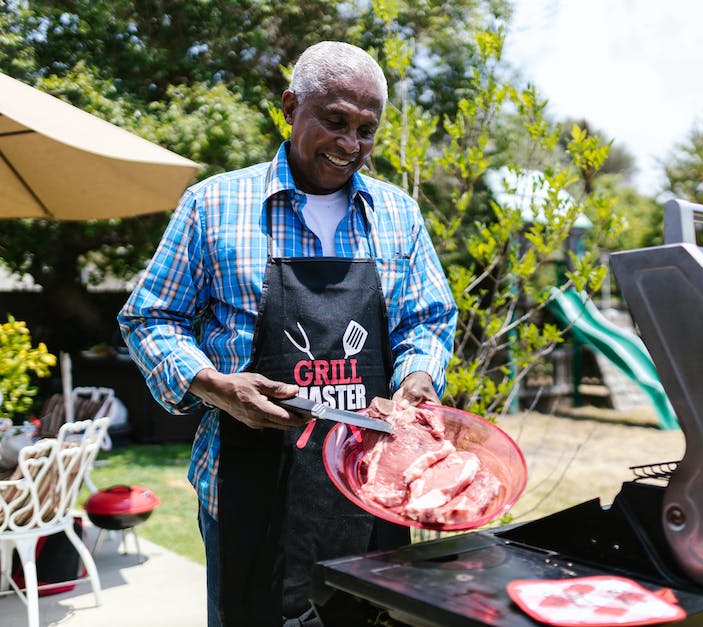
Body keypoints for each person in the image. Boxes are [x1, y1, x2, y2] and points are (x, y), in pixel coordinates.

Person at [118, 41, 457, 626]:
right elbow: (150, 318)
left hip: (371, 490)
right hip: (249, 486)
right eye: (334, 121)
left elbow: (425, 319)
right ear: (290, 105)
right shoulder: (214, 204)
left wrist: (418, 379)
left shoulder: (397, 213)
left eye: (366, 130)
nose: (350, 145)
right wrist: (214, 385)